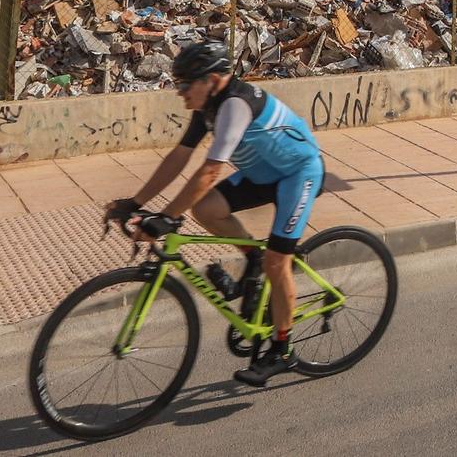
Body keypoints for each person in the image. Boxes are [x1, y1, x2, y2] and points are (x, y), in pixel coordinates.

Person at [106, 41, 325, 386]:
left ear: (211, 80)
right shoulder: (207, 108)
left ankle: (283, 350)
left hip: (298, 174)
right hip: (263, 175)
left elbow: (208, 172)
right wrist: (134, 203)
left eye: (184, 84)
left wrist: (165, 218)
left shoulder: (235, 106)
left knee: (277, 262)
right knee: (205, 209)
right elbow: (179, 157)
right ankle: (252, 257)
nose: (179, 92)